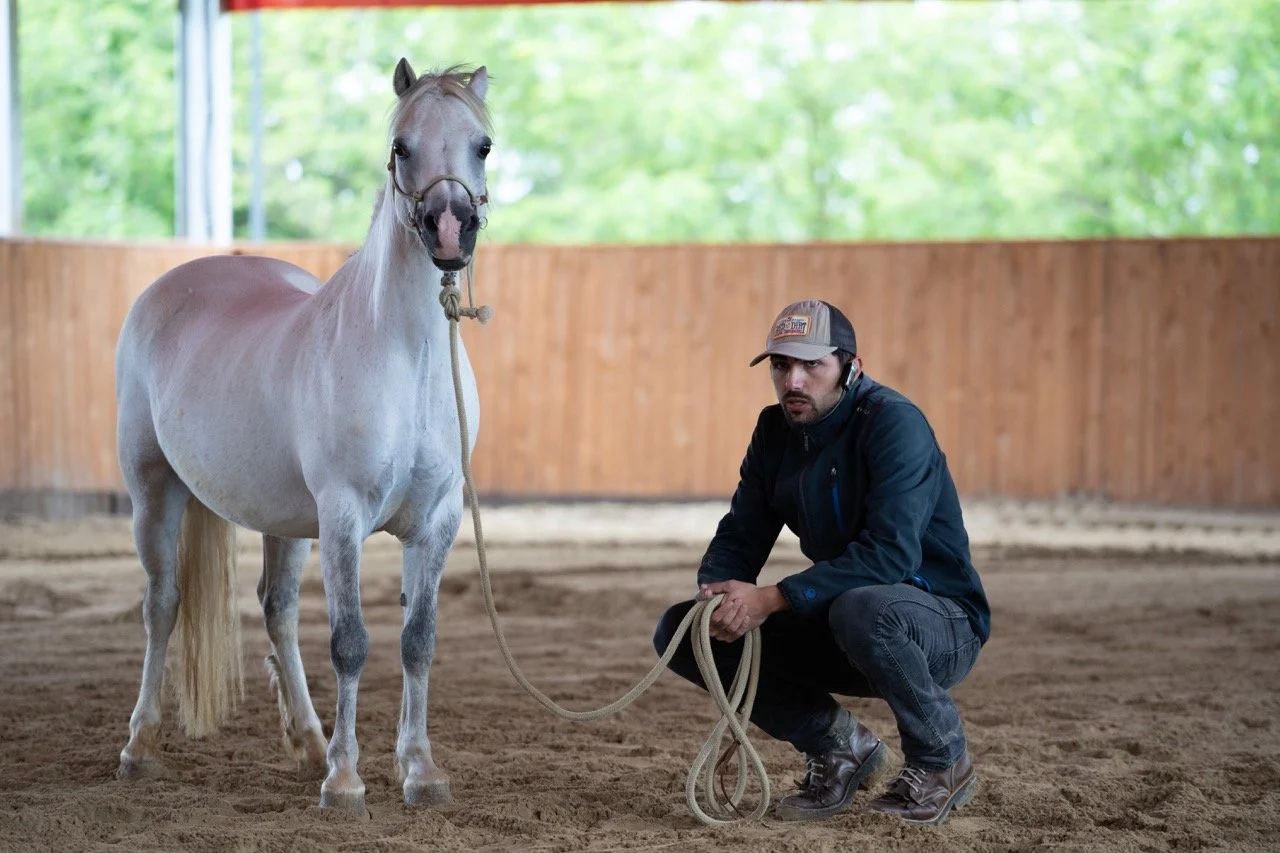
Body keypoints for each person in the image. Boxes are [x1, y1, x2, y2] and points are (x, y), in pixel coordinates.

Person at [653, 299, 991, 826]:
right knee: (685, 630)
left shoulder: (894, 423)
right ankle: (841, 748)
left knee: (865, 608)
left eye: (812, 365)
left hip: (939, 625)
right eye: (781, 365)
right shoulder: (774, 431)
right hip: (844, 620)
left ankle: (942, 761)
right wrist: (719, 591)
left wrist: (773, 598)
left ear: (850, 366)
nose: (794, 380)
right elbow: (744, 529)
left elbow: (890, 555)